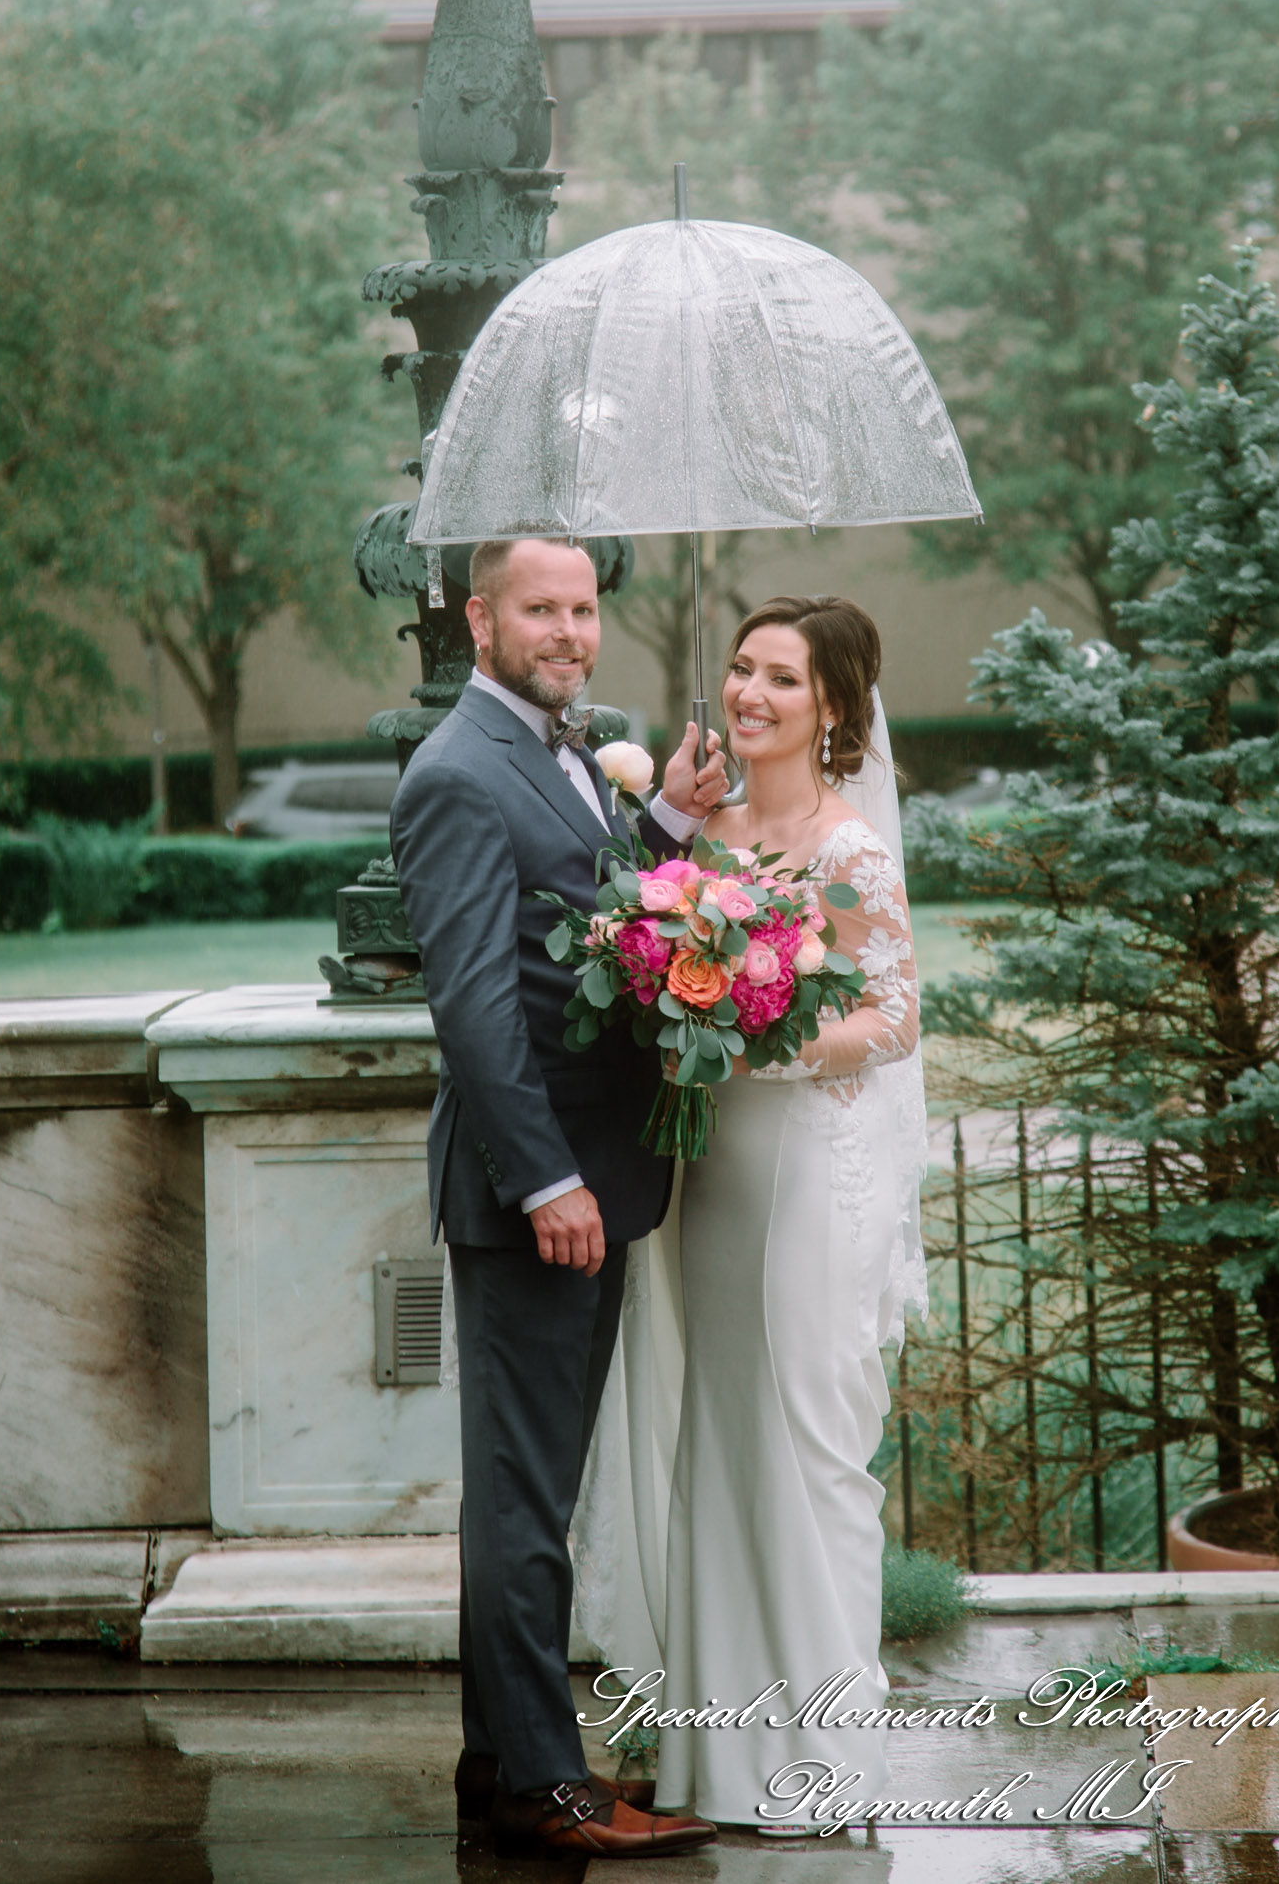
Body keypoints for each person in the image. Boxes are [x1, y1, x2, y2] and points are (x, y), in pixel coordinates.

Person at [391, 536, 726, 1861]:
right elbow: (475, 1004)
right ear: (479, 618)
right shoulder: (461, 771)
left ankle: (496, 1764)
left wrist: (670, 826)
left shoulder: (558, 750)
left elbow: (576, 919)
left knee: (530, 1492)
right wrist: (546, 1178)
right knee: (526, 1500)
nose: (570, 629)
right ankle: (542, 1782)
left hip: (585, 1180)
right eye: (542, 607)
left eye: (584, 607)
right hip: (537, 1190)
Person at [575, 594, 926, 1829]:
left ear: (832, 705)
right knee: (715, 1434)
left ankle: (827, 1757)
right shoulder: (703, 828)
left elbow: (894, 1018)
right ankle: (717, 1760)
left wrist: (761, 1048)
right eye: (740, 670)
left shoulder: (847, 850)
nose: (751, 694)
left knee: (805, 1442)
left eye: (781, 677)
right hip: (710, 1170)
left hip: (803, 1170)